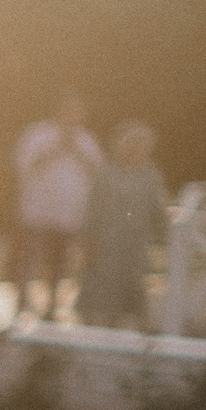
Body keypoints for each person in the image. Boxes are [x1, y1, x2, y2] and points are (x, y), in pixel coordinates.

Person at [14, 92, 104, 320]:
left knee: (59, 260)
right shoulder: (38, 134)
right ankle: (22, 299)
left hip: (69, 213)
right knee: (32, 255)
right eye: (69, 110)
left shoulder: (87, 141)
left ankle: (51, 304)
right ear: (59, 110)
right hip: (38, 209)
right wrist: (56, 149)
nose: (73, 116)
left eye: (78, 112)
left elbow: (97, 175)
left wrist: (76, 151)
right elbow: (23, 165)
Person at [80, 120, 171, 331]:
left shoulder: (150, 174)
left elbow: (158, 208)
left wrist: (168, 232)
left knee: (133, 280)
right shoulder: (107, 171)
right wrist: (87, 237)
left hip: (136, 239)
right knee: (101, 280)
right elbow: (93, 206)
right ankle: (96, 325)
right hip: (106, 238)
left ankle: (128, 325)